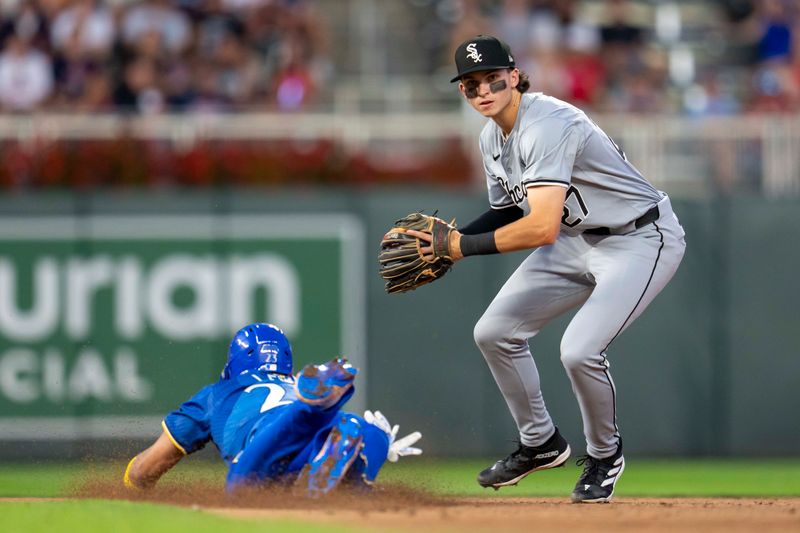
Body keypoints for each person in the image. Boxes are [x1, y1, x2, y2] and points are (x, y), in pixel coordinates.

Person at [412, 35, 686, 503]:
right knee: (494, 332)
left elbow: (539, 228)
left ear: (514, 76)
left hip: (640, 237)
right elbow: (505, 213)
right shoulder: (491, 137)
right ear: (463, 92)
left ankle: (605, 455)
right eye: (471, 83)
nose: (483, 90)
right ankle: (539, 443)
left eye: (493, 78)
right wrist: (446, 245)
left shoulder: (550, 123)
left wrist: (459, 247)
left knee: (579, 352)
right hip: (575, 240)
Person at [123, 322, 422, 495]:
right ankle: (371, 442)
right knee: (357, 435)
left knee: (241, 489)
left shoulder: (217, 394)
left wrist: (132, 479)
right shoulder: (290, 384)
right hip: (314, 439)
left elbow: (144, 471)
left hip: (262, 453)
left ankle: (316, 412)